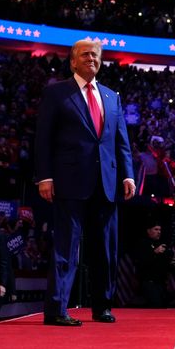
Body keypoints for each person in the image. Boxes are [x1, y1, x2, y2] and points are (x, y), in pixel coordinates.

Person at [35, 39, 135, 326]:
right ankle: (56, 310)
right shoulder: (56, 93)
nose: (91, 58)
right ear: (73, 62)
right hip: (69, 182)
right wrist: (45, 176)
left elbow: (121, 141)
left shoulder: (111, 96)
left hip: (107, 183)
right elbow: (44, 139)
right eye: (85, 54)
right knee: (66, 249)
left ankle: (102, 306)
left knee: (105, 249)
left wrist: (127, 174)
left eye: (95, 54)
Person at [135, 220, 175, 308]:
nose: (159, 232)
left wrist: (173, 263)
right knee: (155, 307)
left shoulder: (162, 245)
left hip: (162, 284)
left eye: (160, 230)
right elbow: (140, 262)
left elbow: (170, 264)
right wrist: (155, 252)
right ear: (149, 231)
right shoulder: (142, 244)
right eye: (156, 229)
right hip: (149, 283)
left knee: (164, 307)